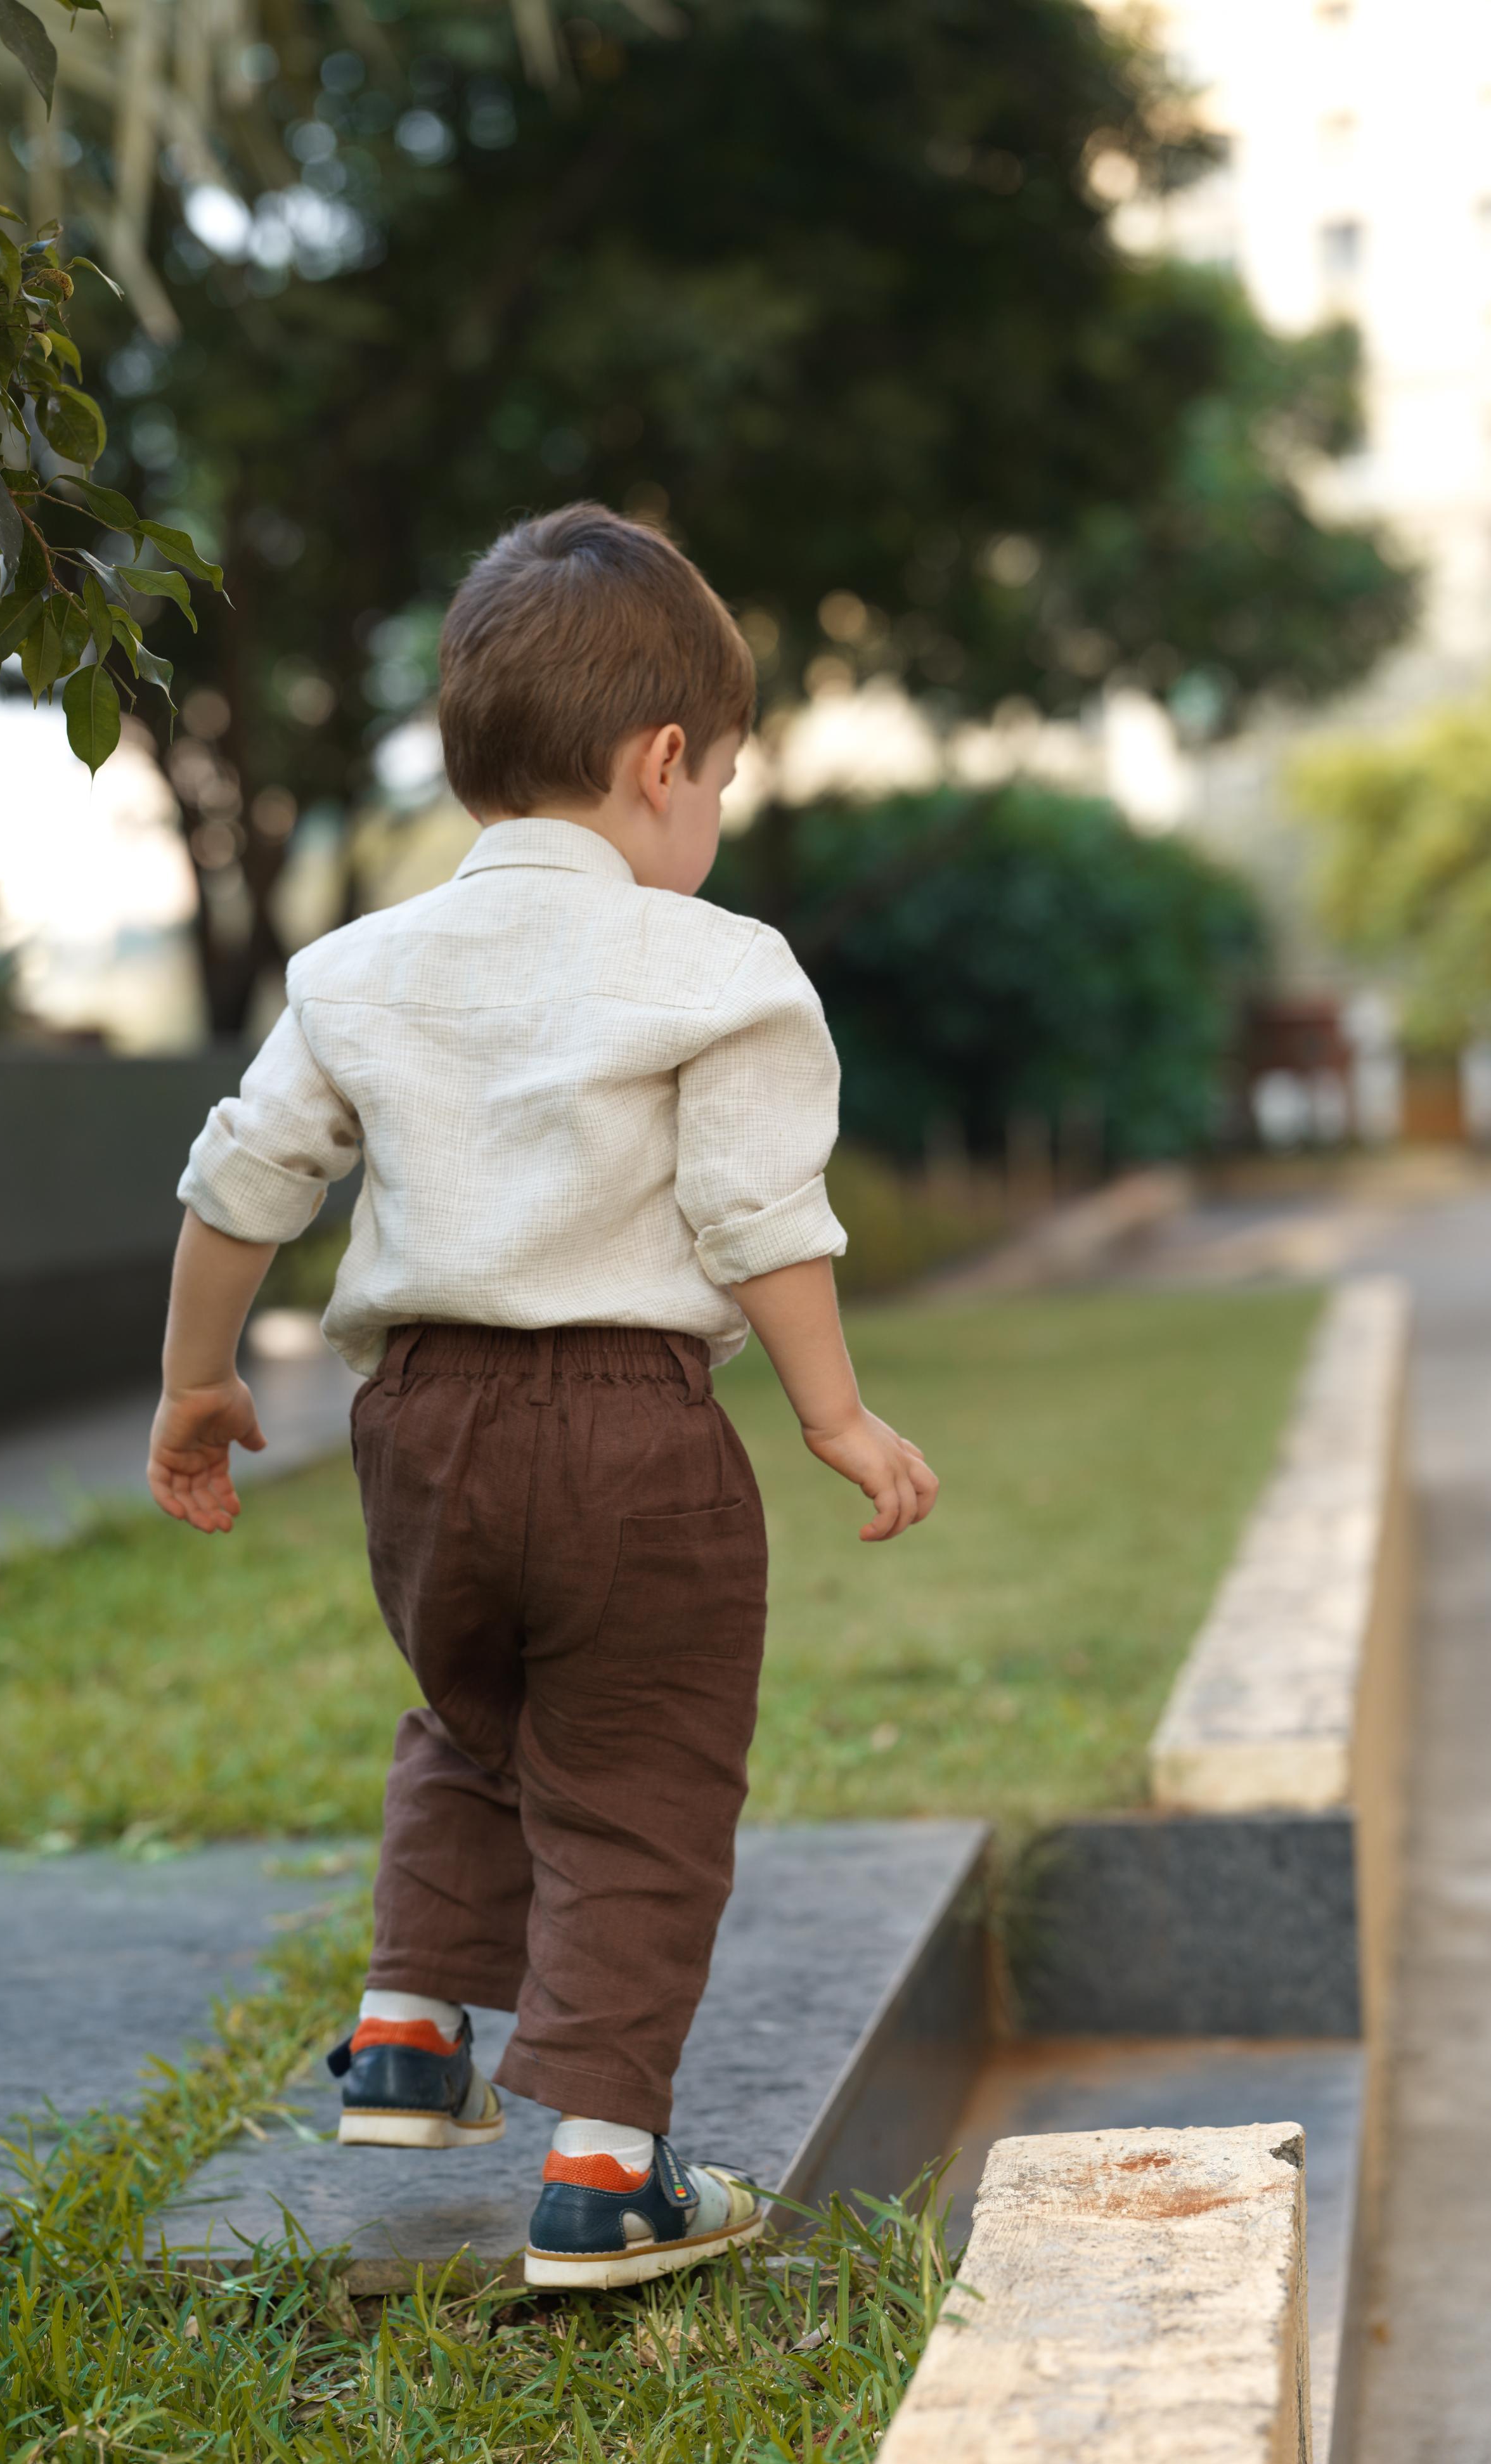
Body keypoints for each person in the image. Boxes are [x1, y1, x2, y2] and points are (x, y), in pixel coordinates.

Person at [150, 503, 939, 2291]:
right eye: (721, 776)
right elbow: (757, 1216)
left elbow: (240, 1184)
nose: (715, 813)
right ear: (664, 760)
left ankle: (412, 2034)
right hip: (631, 1433)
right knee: (639, 1770)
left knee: (471, 1707)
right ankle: (600, 2168)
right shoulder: (716, 966)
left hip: (416, 1427)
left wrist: (200, 1380)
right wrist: (827, 1414)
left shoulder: (356, 970)